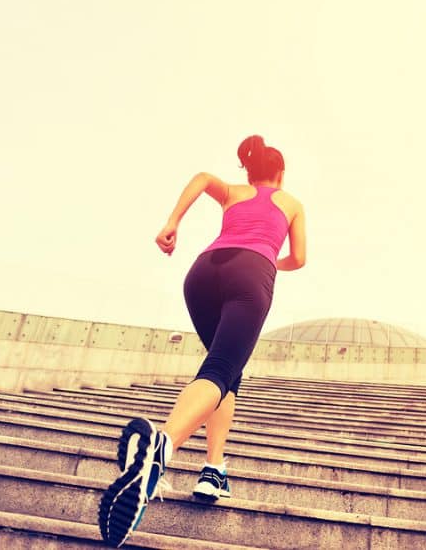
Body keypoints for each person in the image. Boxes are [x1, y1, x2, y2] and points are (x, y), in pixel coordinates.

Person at [98, 135, 307, 547]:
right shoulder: (291, 202)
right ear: (281, 173)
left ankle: (214, 470)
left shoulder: (233, 192)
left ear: (250, 171)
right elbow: (299, 258)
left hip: (202, 273)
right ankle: (161, 448)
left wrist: (172, 223)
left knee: (227, 373)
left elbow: (202, 177)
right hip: (251, 273)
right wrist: (268, 258)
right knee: (220, 369)